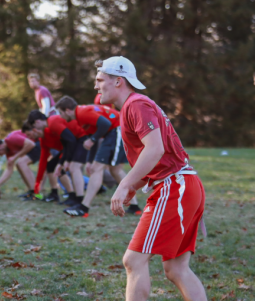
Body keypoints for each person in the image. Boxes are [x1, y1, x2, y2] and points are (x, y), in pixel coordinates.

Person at [96, 56, 206, 301]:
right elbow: (157, 154)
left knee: (133, 260)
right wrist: (135, 184)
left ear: (118, 81)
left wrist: (124, 183)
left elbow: (154, 149)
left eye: (100, 79)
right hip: (182, 185)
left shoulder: (136, 104)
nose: (96, 85)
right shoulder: (135, 105)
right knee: (176, 269)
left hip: (174, 187)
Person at [56, 96, 142, 217]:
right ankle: (135, 207)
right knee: (115, 170)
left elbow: (105, 124)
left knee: (99, 169)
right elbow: (95, 135)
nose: (60, 116)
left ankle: (83, 208)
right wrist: (90, 160)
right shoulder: (80, 116)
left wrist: (92, 139)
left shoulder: (81, 113)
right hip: (117, 131)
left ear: (68, 110)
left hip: (118, 130)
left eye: (60, 112)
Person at [23, 111, 81, 203]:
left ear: (35, 130)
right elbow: (42, 163)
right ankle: (55, 193)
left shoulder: (50, 130)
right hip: (66, 148)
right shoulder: (43, 140)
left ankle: (72, 195)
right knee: (50, 165)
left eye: (29, 135)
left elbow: (67, 144)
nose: (30, 138)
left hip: (74, 144)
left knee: (60, 167)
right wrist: (37, 186)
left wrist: (62, 161)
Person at [0, 126, 40, 196]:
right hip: (34, 146)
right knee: (19, 164)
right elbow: (9, 170)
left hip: (39, 142)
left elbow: (31, 144)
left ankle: (36, 193)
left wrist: (15, 157)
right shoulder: (8, 151)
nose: (1, 156)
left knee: (21, 163)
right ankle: (31, 191)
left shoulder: (11, 139)